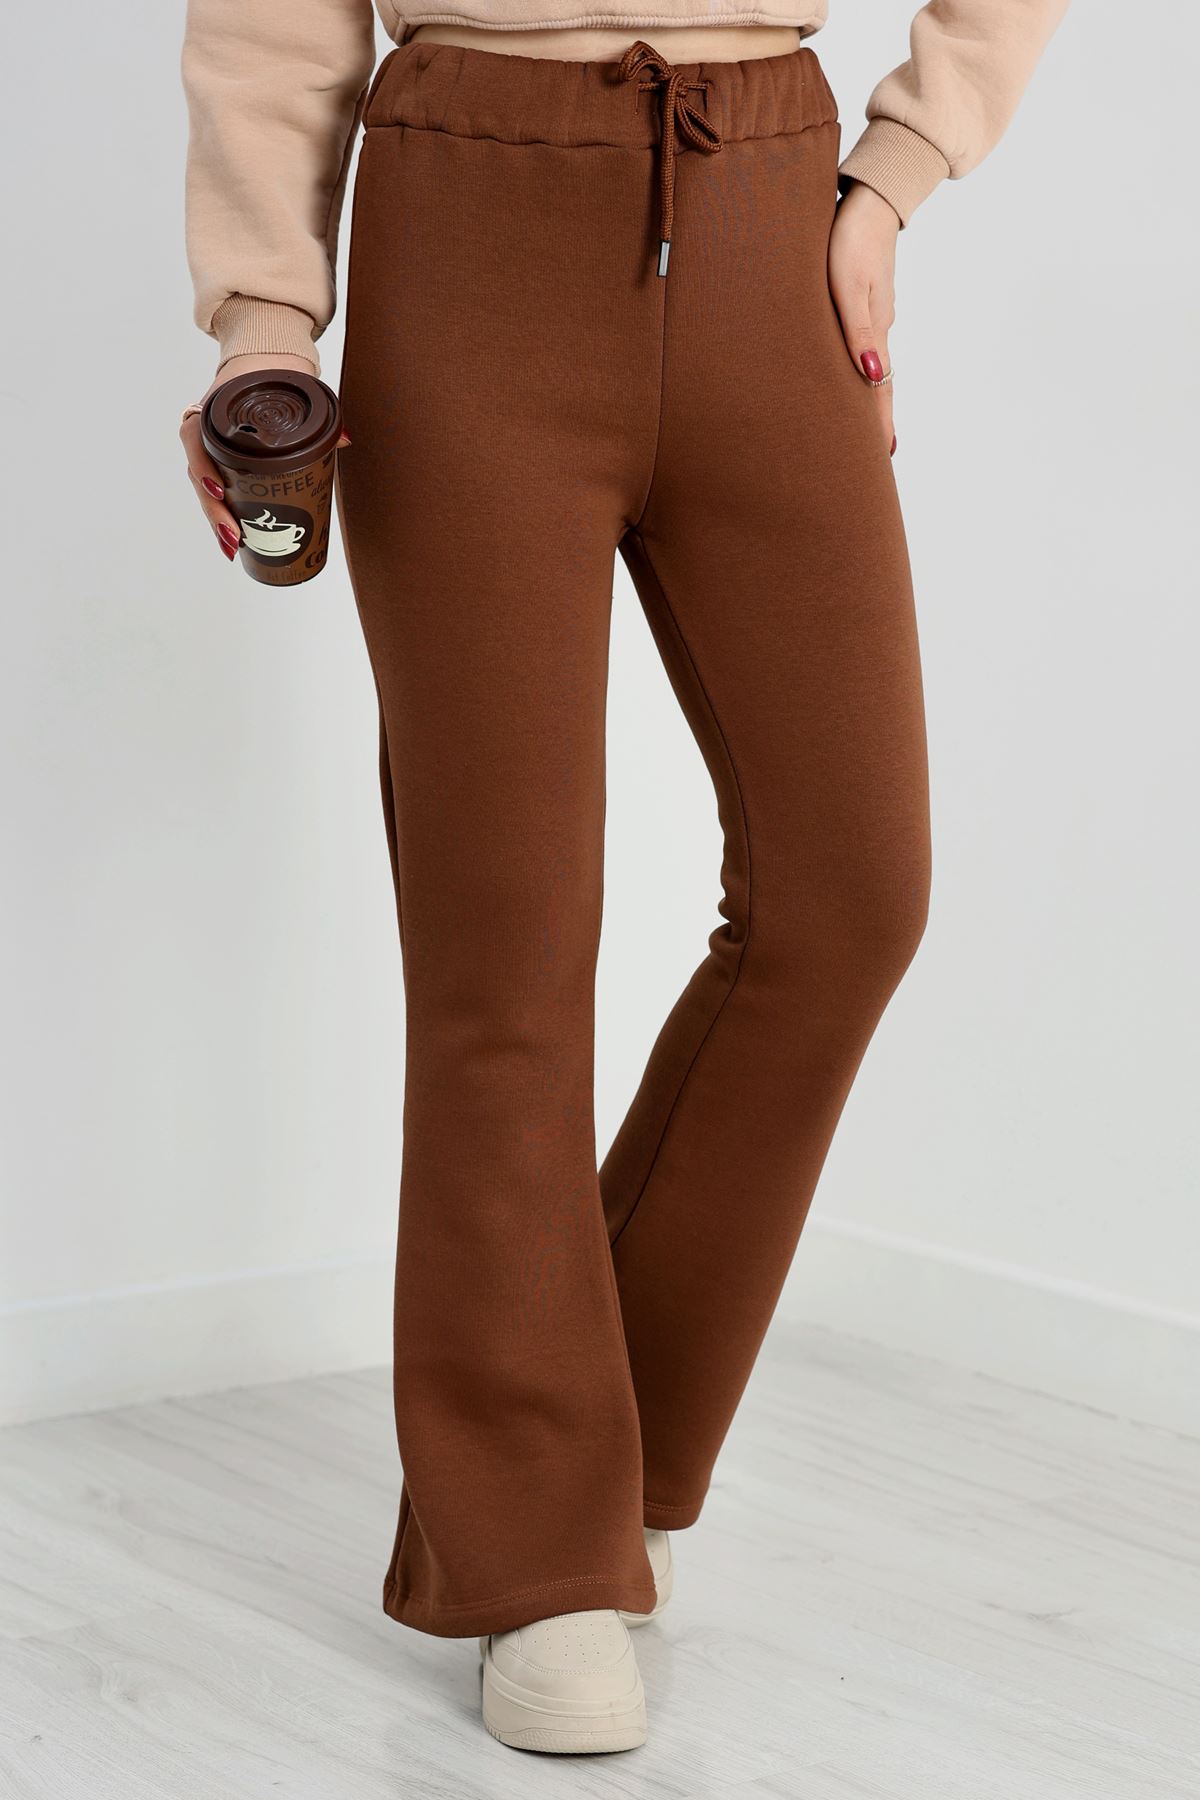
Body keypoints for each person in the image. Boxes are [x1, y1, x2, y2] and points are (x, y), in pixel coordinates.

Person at [180, 0, 1068, 1756]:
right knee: (503, 945)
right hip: (468, 219)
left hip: (774, 212)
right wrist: (264, 324)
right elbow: (271, 22)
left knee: (851, 893)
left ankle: (600, 1468)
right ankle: (539, 1559)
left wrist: (895, 172)